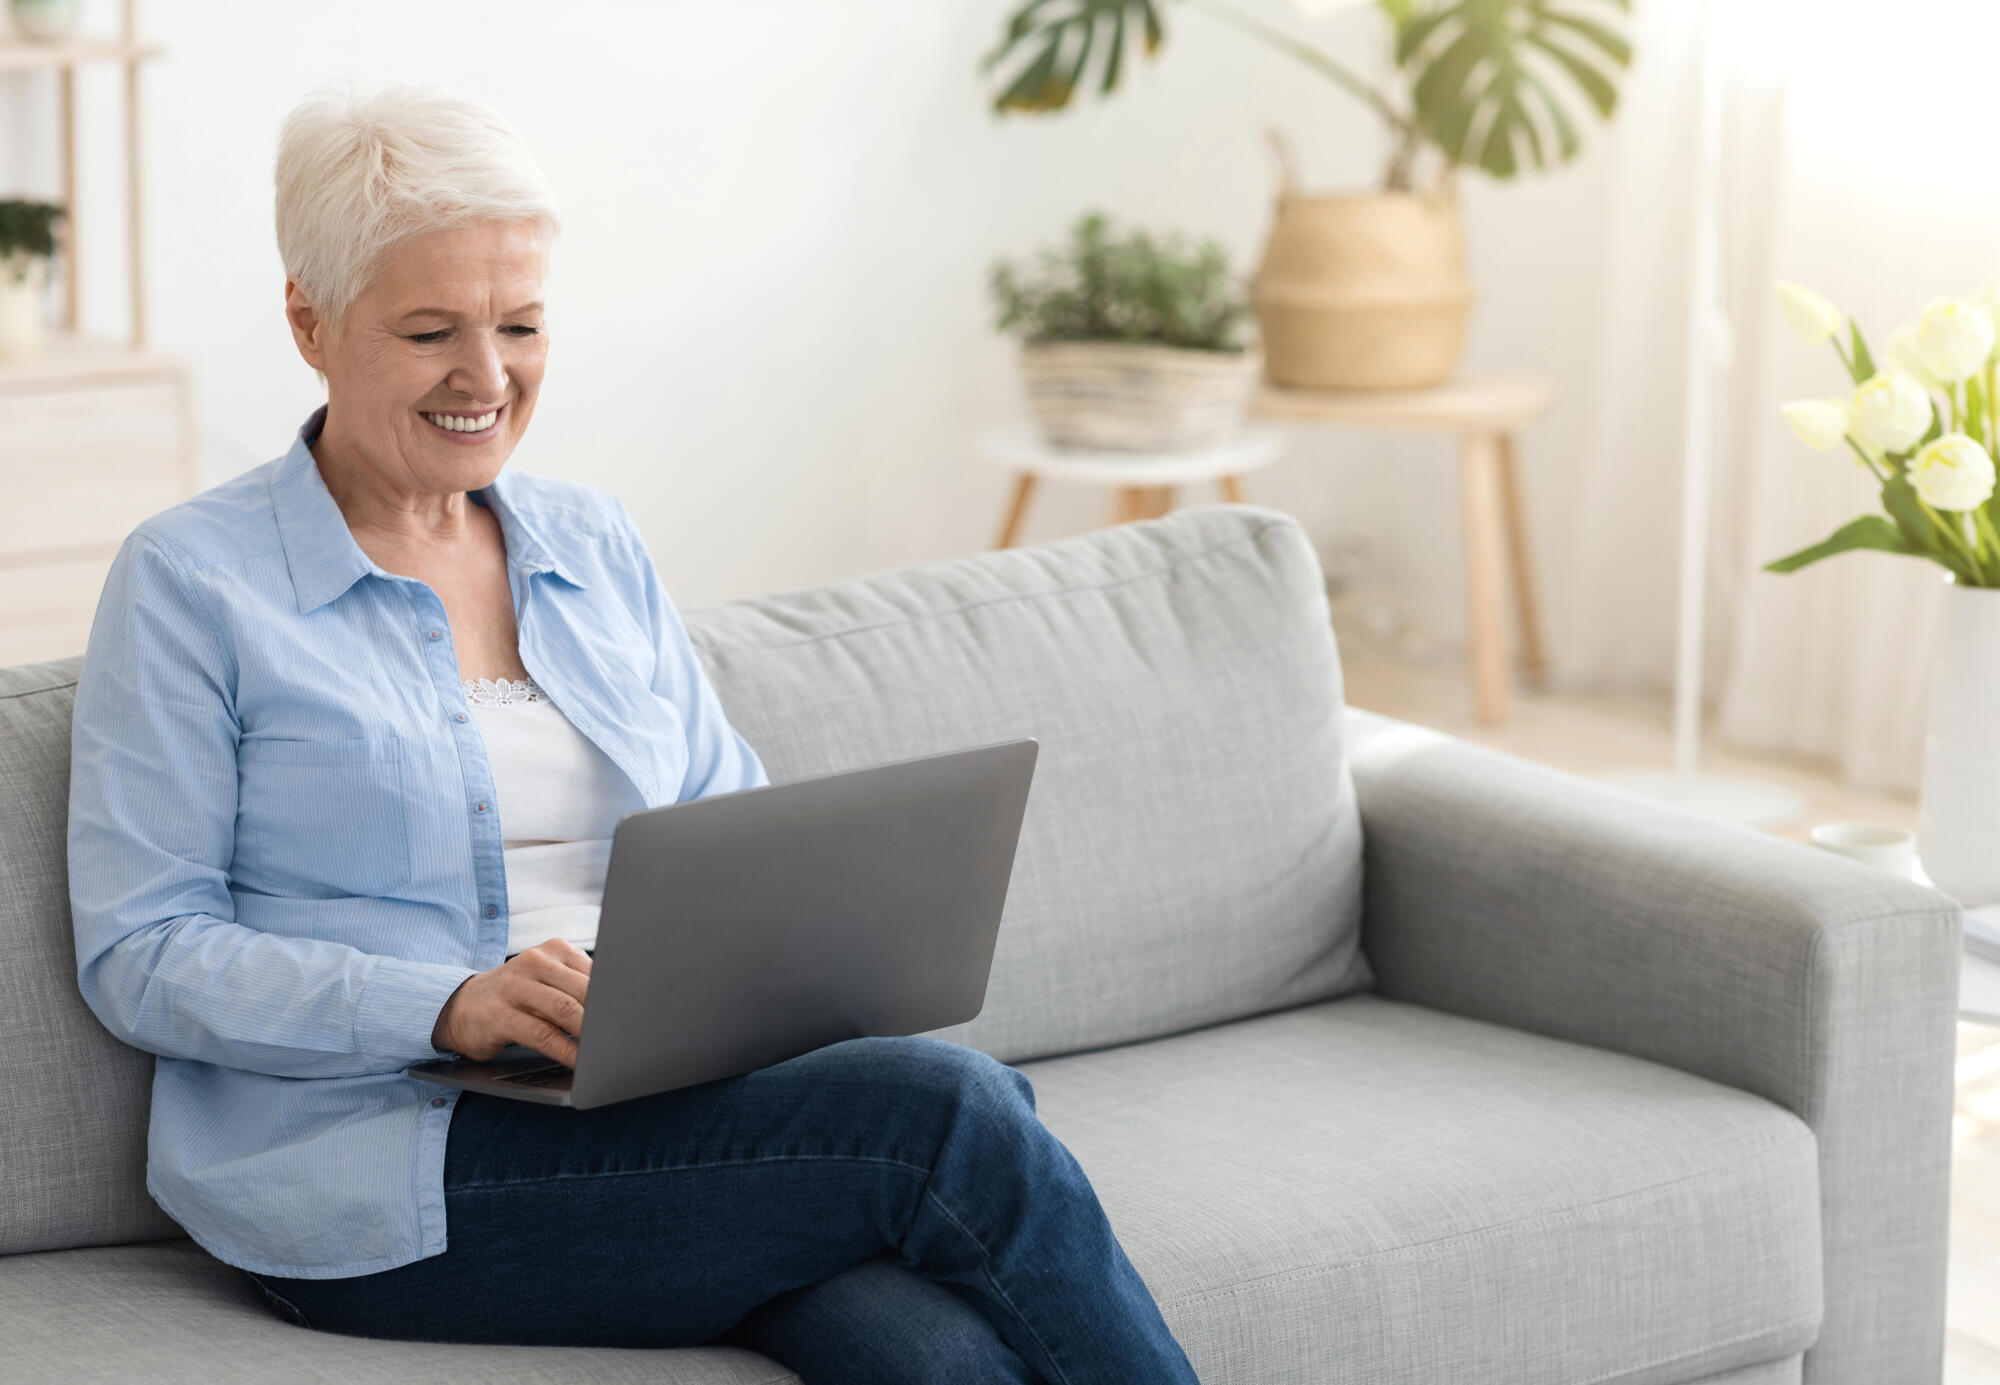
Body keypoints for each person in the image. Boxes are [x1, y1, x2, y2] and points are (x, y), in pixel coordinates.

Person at [64, 78, 1202, 1385]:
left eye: (521, 323)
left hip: (644, 1106)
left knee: (940, 1362)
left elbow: (732, 820)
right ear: (310, 323)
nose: (486, 377)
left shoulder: (592, 544)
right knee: (945, 1114)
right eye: (432, 328)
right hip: (375, 1167)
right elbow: (143, 952)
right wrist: (452, 1001)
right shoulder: (194, 583)